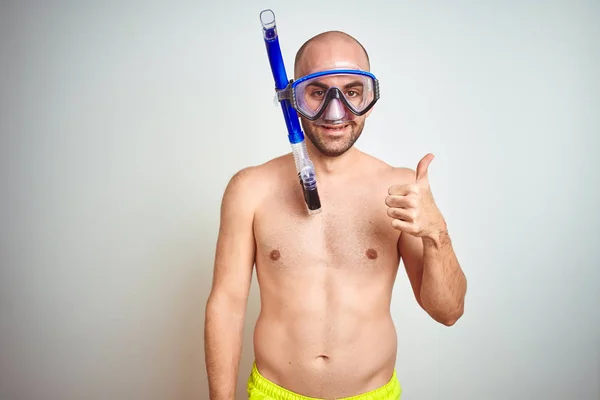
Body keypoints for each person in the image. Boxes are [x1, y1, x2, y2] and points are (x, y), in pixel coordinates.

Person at [204, 30, 467, 400]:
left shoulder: (401, 188)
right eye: (318, 92)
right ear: (293, 99)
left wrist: (437, 233)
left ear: (369, 99)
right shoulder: (250, 189)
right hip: (273, 392)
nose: (335, 110)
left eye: (352, 92)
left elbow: (448, 312)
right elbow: (227, 303)